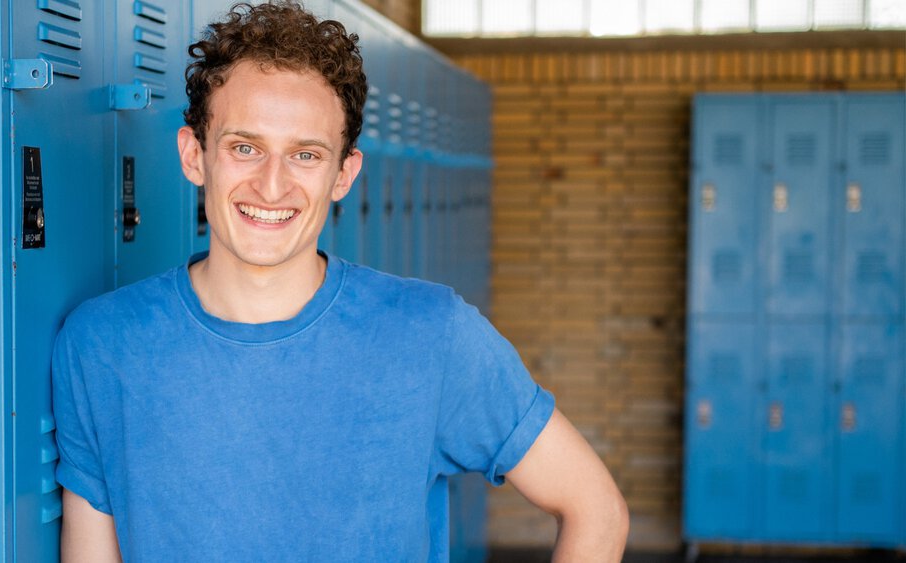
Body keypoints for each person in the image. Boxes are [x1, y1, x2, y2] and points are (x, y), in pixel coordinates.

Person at [53, 2, 628, 561]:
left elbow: (595, 510)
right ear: (194, 154)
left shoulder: (431, 333)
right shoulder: (102, 345)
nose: (271, 186)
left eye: (305, 154)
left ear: (344, 174)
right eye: (245, 147)